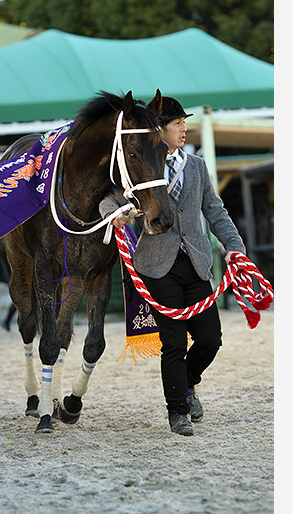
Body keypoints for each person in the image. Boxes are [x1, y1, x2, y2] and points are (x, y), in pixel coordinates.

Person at [99, 96, 246, 436]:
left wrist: (235, 247)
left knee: (211, 339)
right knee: (174, 343)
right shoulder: (140, 167)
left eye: (184, 123)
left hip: (196, 263)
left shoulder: (196, 166)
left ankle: (188, 382)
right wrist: (113, 215)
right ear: (159, 130)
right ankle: (177, 411)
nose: (184, 129)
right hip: (156, 266)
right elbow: (110, 199)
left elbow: (215, 210)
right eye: (178, 124)